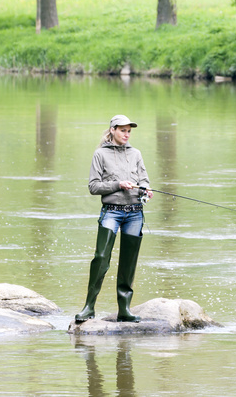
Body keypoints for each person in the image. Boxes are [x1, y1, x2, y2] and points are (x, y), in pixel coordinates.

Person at [75, 114, 152, 323]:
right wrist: (118, 184)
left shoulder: (136, 154)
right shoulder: (100, 154)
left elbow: (144, 180)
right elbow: (93, 187)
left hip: (135, 213)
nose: (126, 134)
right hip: (111, 211)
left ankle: (124, 310)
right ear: (112, 130)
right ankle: (89, 307)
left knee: (129, 262)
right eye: (122, 130)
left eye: (129, 131)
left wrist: (146, 190)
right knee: (101, 257)